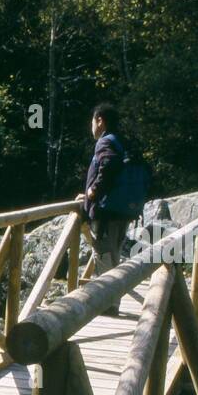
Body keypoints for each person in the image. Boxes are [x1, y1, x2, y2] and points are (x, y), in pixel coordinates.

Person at [76, 103, 131, 314]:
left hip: (106, 212)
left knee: (104, 255)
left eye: (92, 121)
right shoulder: (121, 141)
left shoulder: (105, 142)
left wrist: (93, 192)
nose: (91, 126)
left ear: (100, 120)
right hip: (121, 209)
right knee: (113, 254)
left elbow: (109, 165)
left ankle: (109, 305)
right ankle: (113, 301)